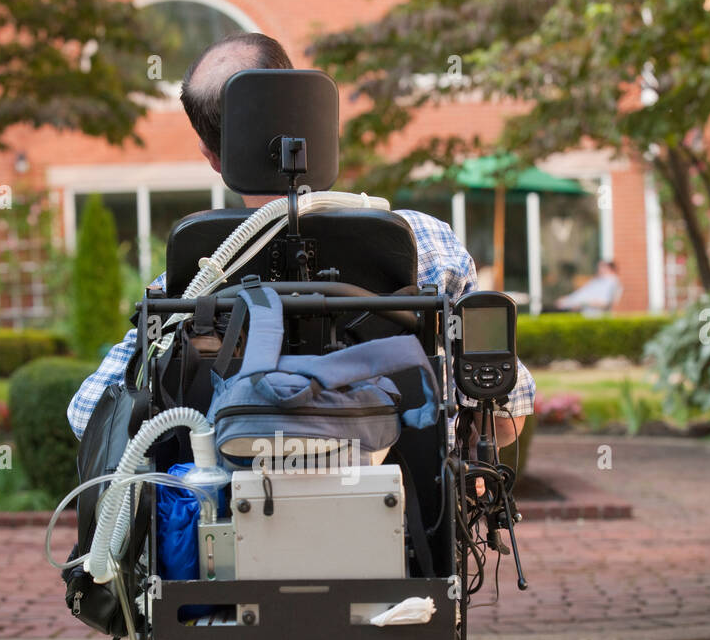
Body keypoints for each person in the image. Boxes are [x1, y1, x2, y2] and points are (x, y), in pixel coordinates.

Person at [67, 32, 535, 446]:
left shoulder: (193, 272)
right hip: (405, 524)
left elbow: (86, 413)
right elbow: (508, 411)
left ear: (212, 156)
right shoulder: (426, 245)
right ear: (315, 122)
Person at [554, 259, 622, 316]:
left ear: (610, 269)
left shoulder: (612, 283)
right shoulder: (596, 281)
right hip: (582, 311)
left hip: (594, 315)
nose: (599, 269)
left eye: (602, 267)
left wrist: (582, 303)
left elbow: (605, 303)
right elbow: (581, 293)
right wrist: (567, 300)